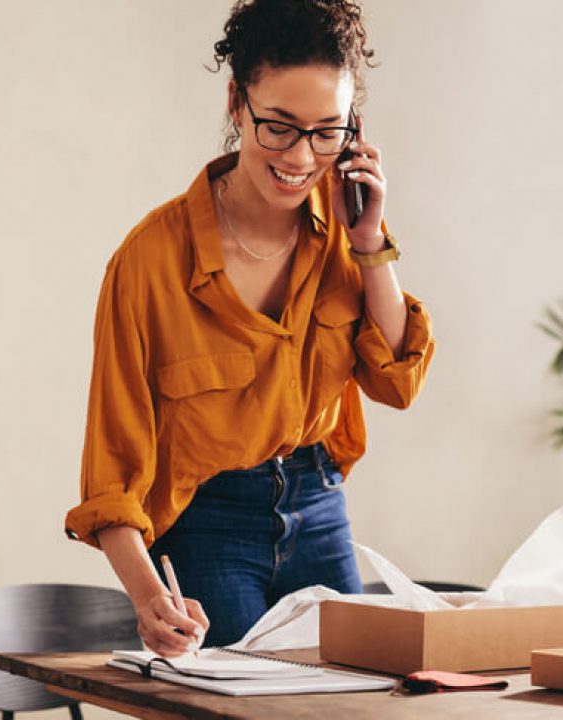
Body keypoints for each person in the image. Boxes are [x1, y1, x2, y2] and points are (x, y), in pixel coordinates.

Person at [65, 0, 435, 656]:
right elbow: (112, 474)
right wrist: (151, 598)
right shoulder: (150, 263)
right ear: (237, 102)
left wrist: (370, 239)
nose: (302, 157)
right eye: (280, 127)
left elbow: (398, 380)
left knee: (353, 702)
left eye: (329, 131)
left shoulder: (346, 232)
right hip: (209, 525)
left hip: (319, 505)